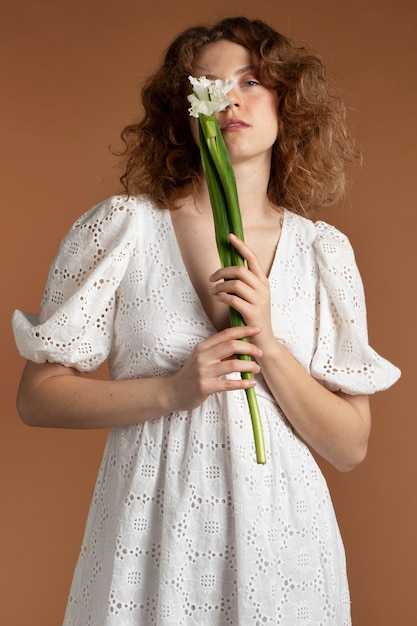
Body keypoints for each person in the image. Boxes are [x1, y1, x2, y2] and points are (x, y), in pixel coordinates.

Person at [12, 16, 400, 626]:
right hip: (151, 529)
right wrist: (171, 391)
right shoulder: (124, 228)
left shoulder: (324, 252)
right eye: (210, 86)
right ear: (186, 112)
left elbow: (350, 445)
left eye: (251, 81)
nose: (231, 100)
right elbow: (37, 398)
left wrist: (268, 345)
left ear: (286, 101)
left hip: (284, 540)